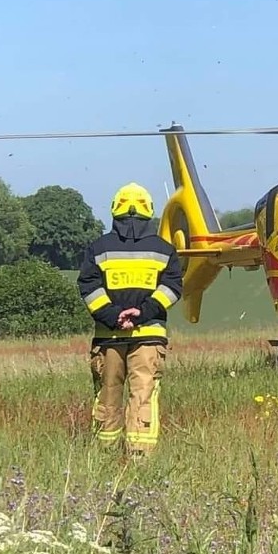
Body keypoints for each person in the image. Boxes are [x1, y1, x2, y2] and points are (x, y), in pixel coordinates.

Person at [77, 183, 183, 456]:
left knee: (107, 394)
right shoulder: (165, 250)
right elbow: (172, 289)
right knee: (144, 394)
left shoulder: (98, 248)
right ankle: (140, 456)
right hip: (149, 336)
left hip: (108, 336)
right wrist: (142, 313)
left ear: (115, 210)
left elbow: (89, 287)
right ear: (149, 212)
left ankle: (105, 453)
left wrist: (113, 316)